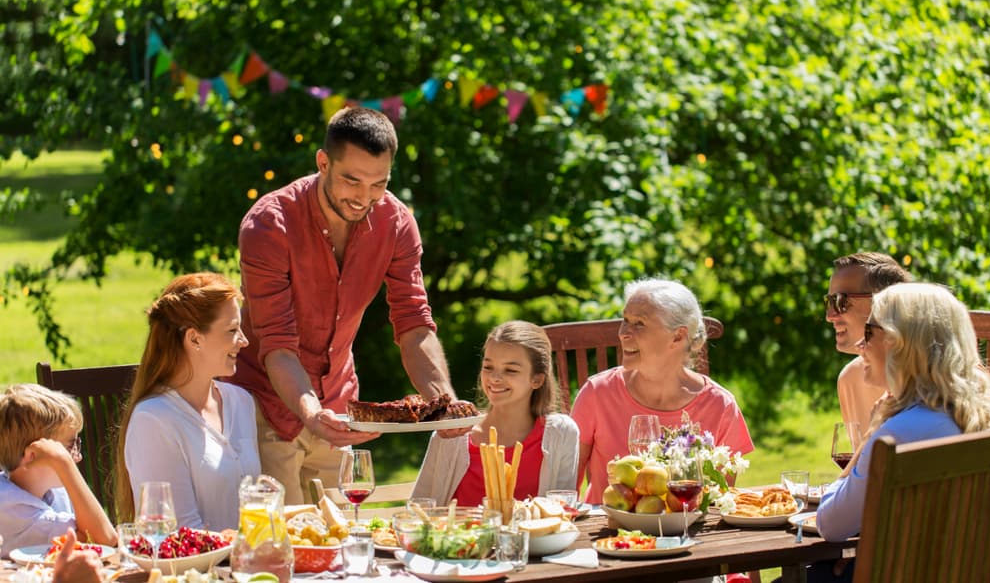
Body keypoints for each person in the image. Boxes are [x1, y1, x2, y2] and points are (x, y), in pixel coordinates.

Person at [233, 106, 460, 503]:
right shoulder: (269, 225)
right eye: (351, 181)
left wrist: (444, 403)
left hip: (338, 405)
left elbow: (414, 324)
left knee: (339, 544)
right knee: (279, 546)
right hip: (264, 407)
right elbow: (277, 344)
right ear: (323, 162)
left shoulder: (396, 223)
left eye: (378, 185)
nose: (364, 198)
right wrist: (310, 412)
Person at [814, 283, 990, 578]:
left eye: (868, 333)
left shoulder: (899, 434)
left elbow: (830, 523)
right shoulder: (986, 420)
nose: (861, 346)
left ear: (896, 342)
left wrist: (869, 436)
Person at [571, 278, 754, 505]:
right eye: (625, 320)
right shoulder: (597, 394)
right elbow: (564, 492)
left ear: (677, 336)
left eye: (639, 324)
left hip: (688, 534)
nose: (623, 333)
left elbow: (717, 503)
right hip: (610, 534)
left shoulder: (720, 406)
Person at [115, 272, 260, 531]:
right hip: (197, 570)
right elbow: (176, 534)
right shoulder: (154, 420)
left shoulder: (240, 402)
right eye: (232, 330)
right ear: (194, 338)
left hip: (251, 565)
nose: (244, 341)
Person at [411, 321, 578, 505]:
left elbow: (563, 512)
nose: (494, 378)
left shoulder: (561, 433)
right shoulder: (451, 435)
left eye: (510, 370)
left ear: (537, 380)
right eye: (488, 367)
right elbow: (419, 510)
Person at [0, 384, 116, 555]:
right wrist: (64, 464)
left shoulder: (55, 490)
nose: (78, 457)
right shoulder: (12, 505)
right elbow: (104, 540)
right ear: (33, 454)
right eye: (69, 447)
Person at [824, 252, 911, 432]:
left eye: (840, 301)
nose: (830, 316)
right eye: (829, 301)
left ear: (884, 302)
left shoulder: (939, 382)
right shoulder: (850, 380)